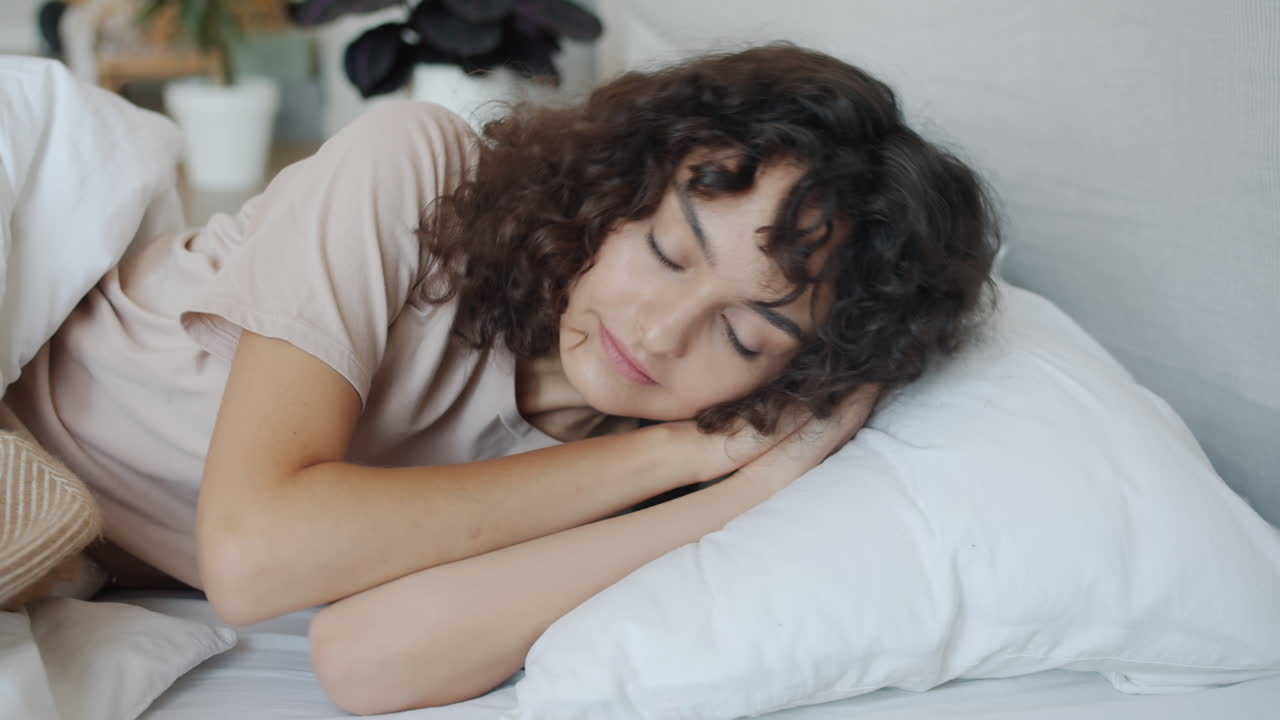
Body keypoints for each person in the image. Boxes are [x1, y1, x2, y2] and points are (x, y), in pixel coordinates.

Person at [4, 43, 997, 712]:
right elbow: (254, 554)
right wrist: (670, 449)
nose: (655, 333)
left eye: (743, 335)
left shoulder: (627, 467)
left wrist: (733, 486)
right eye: (664, 250)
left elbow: (364, 660)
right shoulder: (419, 176)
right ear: (617, 193)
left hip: (57, 550)